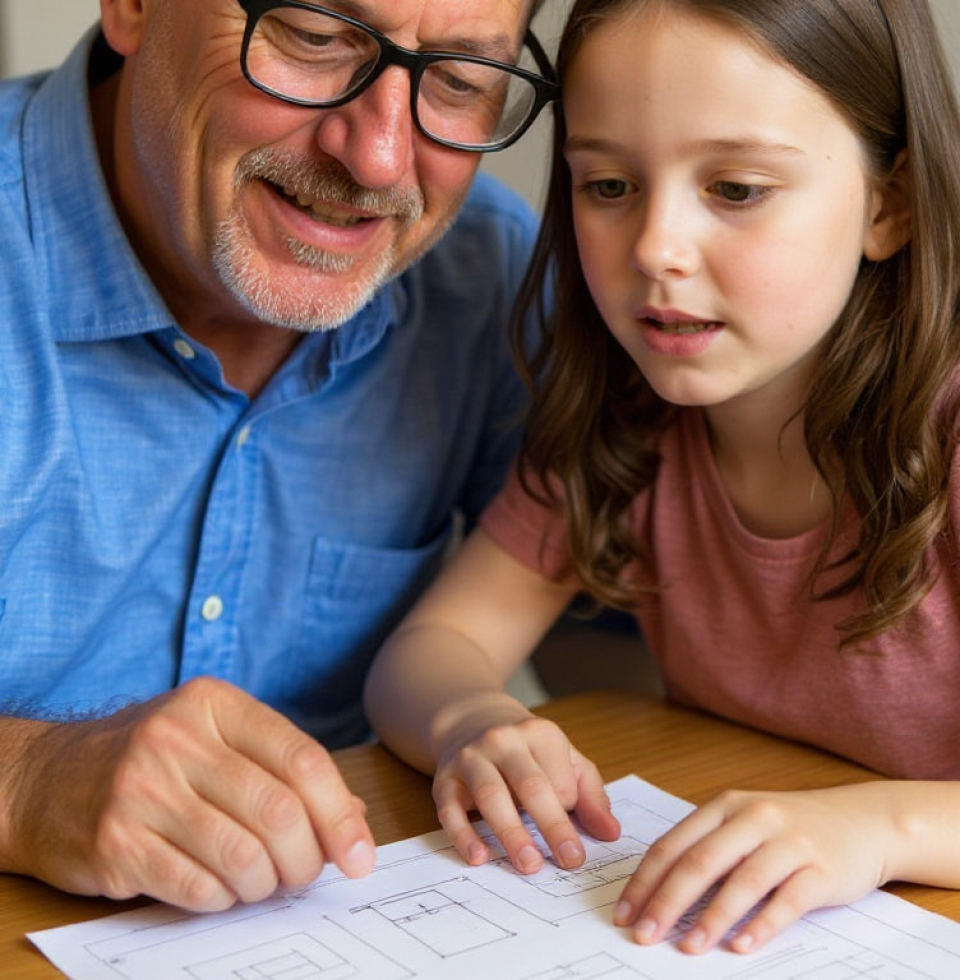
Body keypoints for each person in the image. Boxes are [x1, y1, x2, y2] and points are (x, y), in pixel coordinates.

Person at [365, 0, 960, 957]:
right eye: (608, 185)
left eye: (734, 188)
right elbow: (431, 646)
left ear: (888, 207)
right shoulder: (630, 423)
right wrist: (472, 719)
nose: (653, 249)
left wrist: (879, 829)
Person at [0, 0, 560, 912]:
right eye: (313, 34)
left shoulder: (489, 278)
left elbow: (629, 625)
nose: (378, 158)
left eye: (460, 81)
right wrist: (23, 785)